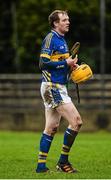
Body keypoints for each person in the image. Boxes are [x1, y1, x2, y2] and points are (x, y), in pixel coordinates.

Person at [36, 10, 83, 173]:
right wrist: (66, 63)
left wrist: (70, 66)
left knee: (51, 127)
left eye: (68, 19)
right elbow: (43, 63)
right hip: (52, 87)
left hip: (56, 86)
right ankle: (63, 162)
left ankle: (41, 166)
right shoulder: (50, 39)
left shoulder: (61, 39)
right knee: (76, 121)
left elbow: (59, 63)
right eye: (64, 20)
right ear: (56, 23)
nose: (68, 22)